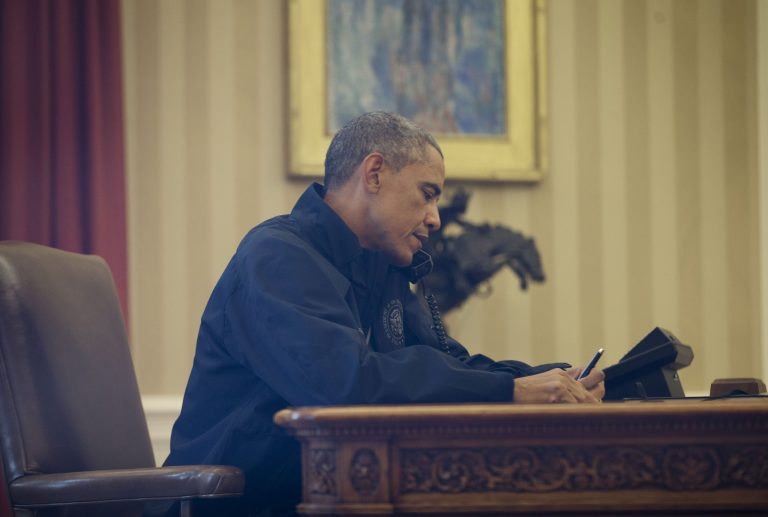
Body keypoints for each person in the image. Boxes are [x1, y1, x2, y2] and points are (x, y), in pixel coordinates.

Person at [164, 112, 605, 516]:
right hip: (238, 504)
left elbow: (447, 364)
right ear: (374, 174)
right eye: (426, 194)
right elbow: (348, 386)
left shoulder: (377, 262)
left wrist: (550, 379)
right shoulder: (277, 256)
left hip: (332, 493)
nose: (434, 218)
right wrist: (508, 392)